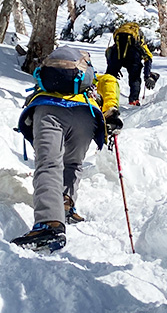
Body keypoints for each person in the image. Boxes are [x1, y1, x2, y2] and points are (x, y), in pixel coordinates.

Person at [13, 46, 123, 252]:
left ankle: (49, 224)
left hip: (49, 109)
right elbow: (110, 81)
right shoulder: (89, 77)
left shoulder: (49, 73)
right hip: (85, 114)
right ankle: (65, 204)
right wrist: (111, 110)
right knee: (73, 163)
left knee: (49, 165)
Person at [105, 22, 157, 106]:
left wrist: (111, 65)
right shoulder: (137, 38)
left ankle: (105, 97)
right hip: (133, 56)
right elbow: (148, 57)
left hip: (117, 53)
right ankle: (133, 100)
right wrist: (147, 75)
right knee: (135, 79)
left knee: (109, 78)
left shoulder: (119, 40)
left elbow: (108, 52)